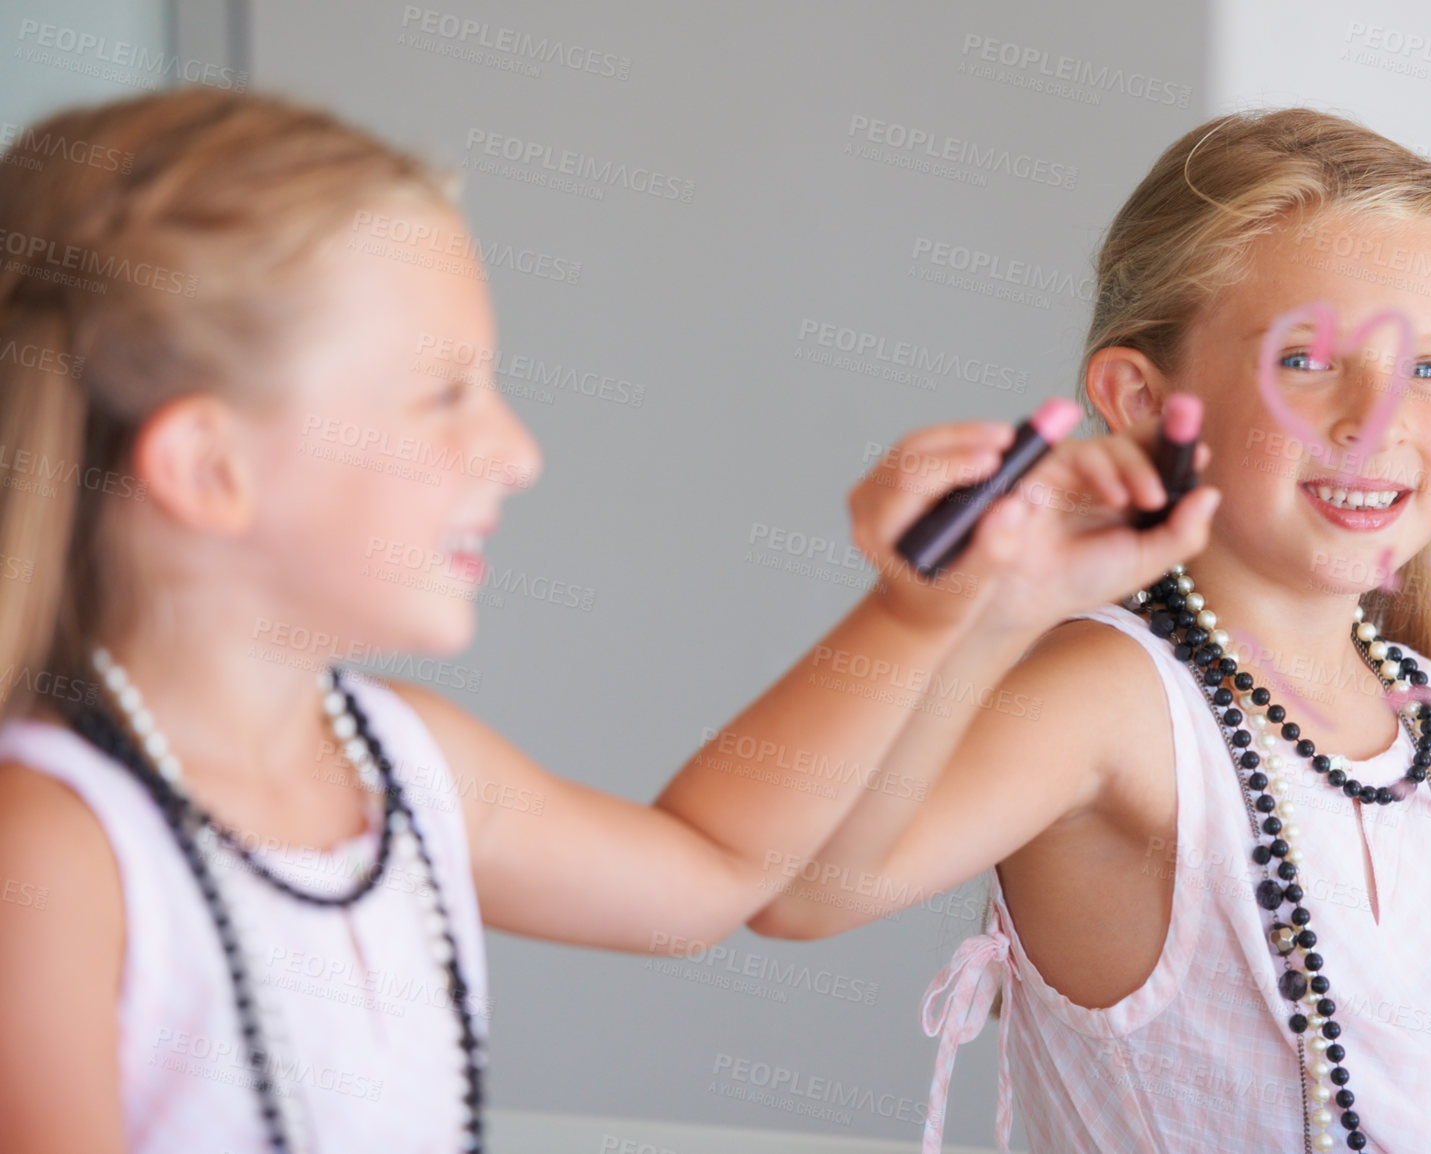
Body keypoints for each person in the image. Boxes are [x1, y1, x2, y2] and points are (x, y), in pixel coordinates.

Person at [0, 87, 1223, 1152]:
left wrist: (923, 614)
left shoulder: (399, 761)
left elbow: (707, 873)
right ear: (209, 467)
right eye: (444, 396)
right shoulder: (48, 849)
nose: (515, 452)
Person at [750, 108, 1431, 1154]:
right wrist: (970, 612)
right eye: (1307, 359)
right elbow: (801, 888)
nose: (1377, 417)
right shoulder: (1114, 696)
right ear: (1141, 398)